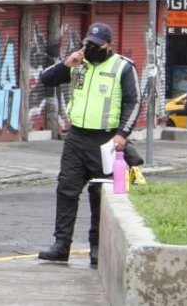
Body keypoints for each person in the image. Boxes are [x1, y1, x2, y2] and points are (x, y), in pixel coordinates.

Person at [36, 22, 140, 267]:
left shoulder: (123, 67)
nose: (89, 48)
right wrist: (66, 64)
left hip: (106, 140)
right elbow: (45, 79)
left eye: (95, 45)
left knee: (100, 195)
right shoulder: (76, 63)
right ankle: (61, 246)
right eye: (86, 43)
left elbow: (134, 102)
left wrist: (122, 135)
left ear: (109, 45)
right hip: (76, 137)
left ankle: (97, 247)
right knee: (66, 189)